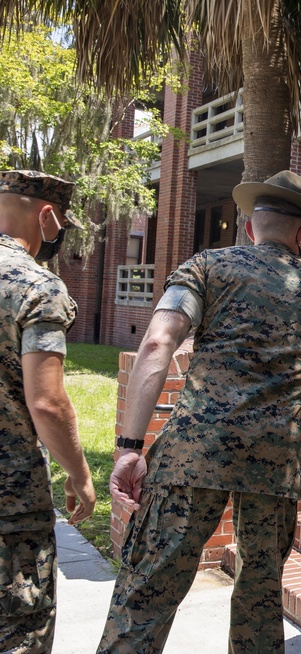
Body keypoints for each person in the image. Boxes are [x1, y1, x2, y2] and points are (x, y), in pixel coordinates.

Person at [97, 170, 301, 654]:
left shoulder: (206, 267)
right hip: (275, 463)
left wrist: (129, 447)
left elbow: (157, 343)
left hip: (191, 453)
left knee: (148, 588)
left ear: (250, 227)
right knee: (260, 594)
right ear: (300, 235)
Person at [0, 169, 96, 653]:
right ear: (47, 216)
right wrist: (79, 474)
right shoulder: (37, 286)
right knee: (20, 630)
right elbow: (47, 401)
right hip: (10, 501)